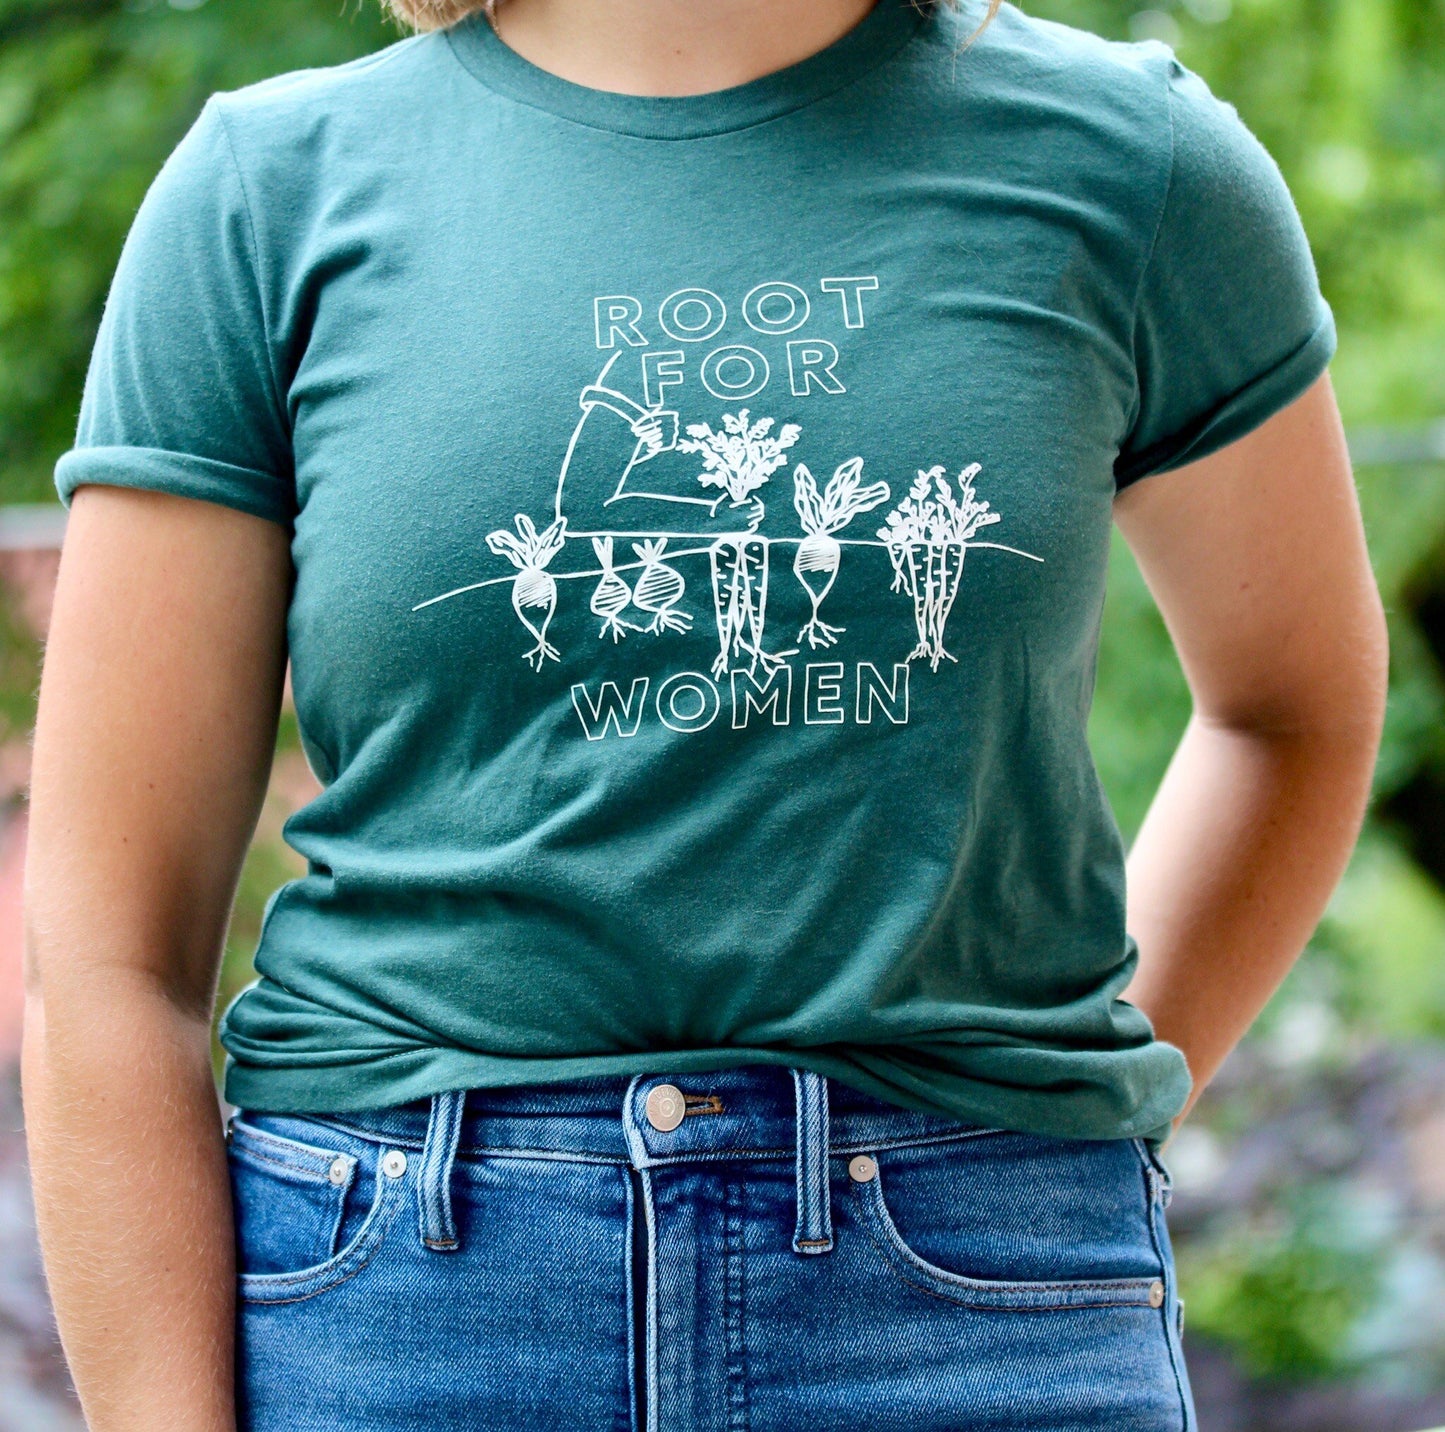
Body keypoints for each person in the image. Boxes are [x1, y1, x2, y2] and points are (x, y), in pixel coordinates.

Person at [21, 0, 1387, 1426]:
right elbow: (110, 953)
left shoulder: (1135, 163)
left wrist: (1017, 1123)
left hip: (984, 1319)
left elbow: (1288, 708)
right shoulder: (263, 194)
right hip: (402, 1317)